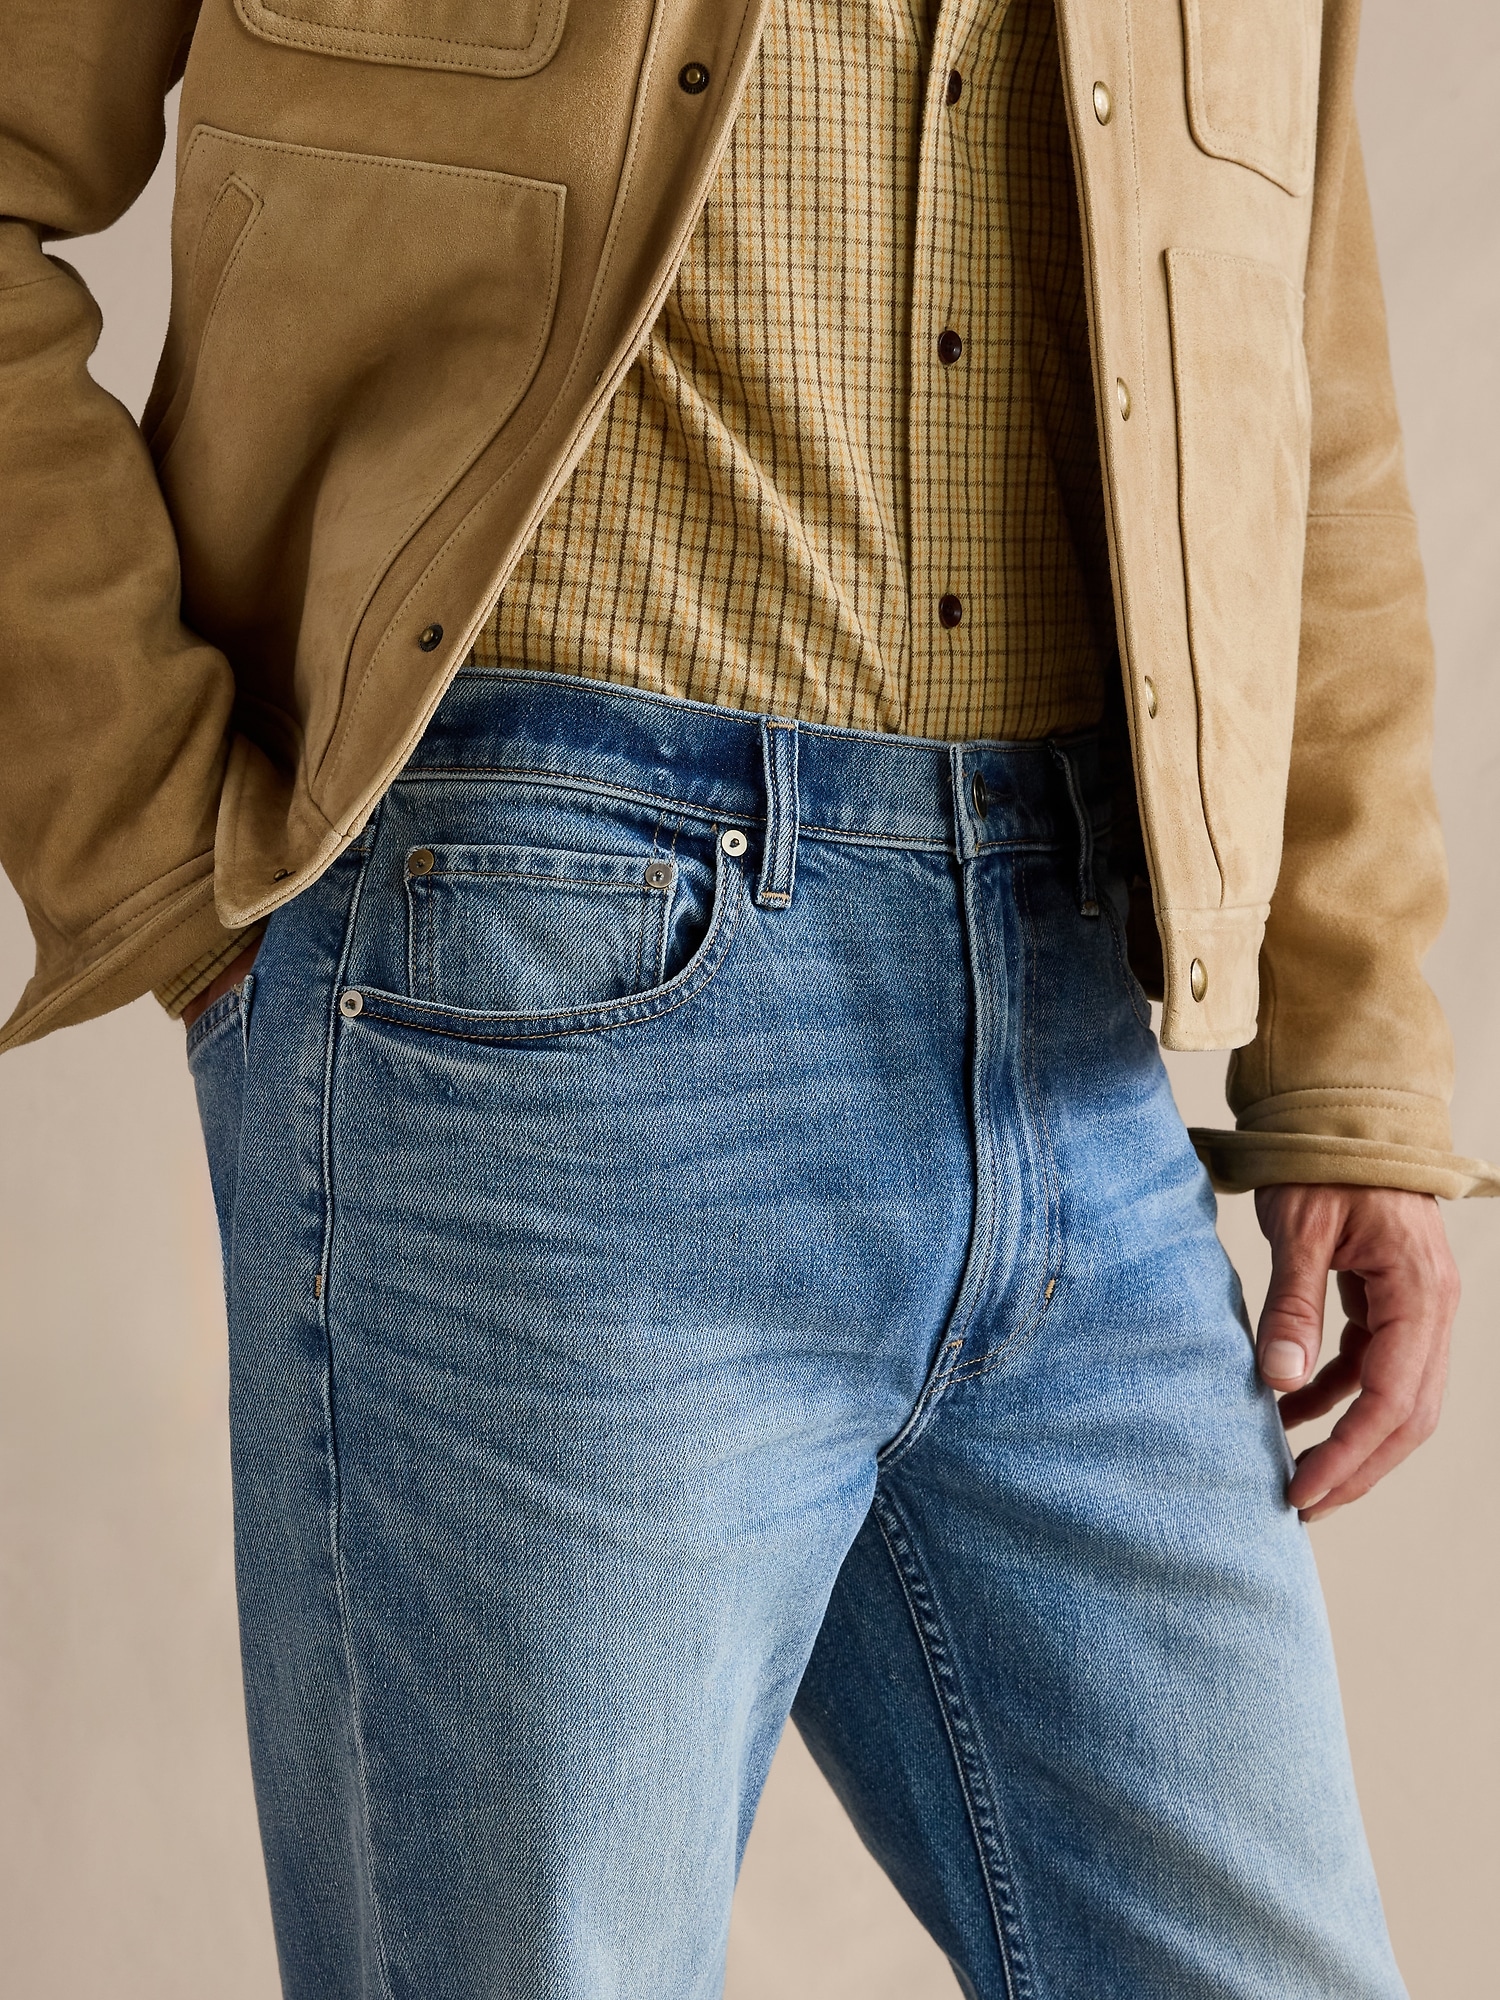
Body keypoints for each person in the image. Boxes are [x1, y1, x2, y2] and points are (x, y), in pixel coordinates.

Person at [1, 1, 1492, 1994]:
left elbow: (1298, 353)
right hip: (537, 975)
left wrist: (1357, 1035)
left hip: (1068, 1025)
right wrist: (148, 844)